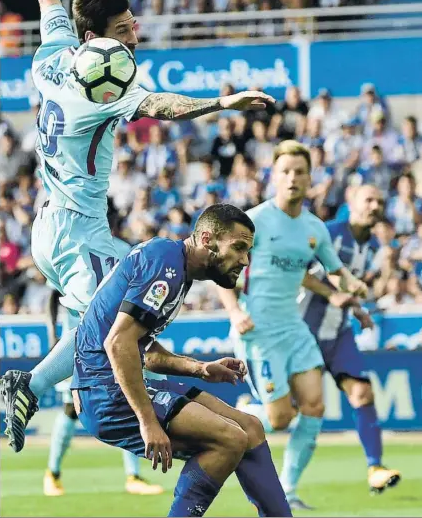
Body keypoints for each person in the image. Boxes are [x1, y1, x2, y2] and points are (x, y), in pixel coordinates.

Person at [1, 0, 275, 456]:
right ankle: (81, 399)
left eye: (131, 25)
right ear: (94, 42)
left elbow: (47, 0)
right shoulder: (102, 88)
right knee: (125, 316)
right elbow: (161, 107)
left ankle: (42, 386)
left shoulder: (53, 60)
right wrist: (220, 103)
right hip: (79, 232)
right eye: (123, 30)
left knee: (98, 319)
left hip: (53, 225)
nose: (134, 35)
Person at [71, 203, 292, 517]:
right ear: (206, 239)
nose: (244, 260)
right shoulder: (166, 267)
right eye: (238, 248)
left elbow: (145, 353)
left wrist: (200, 369)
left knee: (251, 428)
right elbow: (118, 343)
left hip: (117, 383)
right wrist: (148, 422)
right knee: (229, 440)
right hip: (105, 393)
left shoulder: (174, 266)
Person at [218, 140, 368, 510]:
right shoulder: (254, 221)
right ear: (273, 176)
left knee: (315, 406)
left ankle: (289, 489)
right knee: (280, 419)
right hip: (259, 333)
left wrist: (353, 286)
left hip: (294, 329)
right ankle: (233, 415)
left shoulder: (315, 228)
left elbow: (337, 272)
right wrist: (235, 313)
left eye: (299, 171)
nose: (292, 178)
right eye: (285, 171)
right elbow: (222, 273)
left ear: (309, 177)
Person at [43, 211, 163, 497]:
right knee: (72, 409)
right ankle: (53, 472)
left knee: (128, 397)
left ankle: (133, 475)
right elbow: (52, 295)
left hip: (115, 341)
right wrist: (53, 336)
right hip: (78, 341)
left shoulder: (125, 251)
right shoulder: (71, 247)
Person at [301, 185, 401, 493]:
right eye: (369, 199)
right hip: (303, 331)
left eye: (380, 201)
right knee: (290, 411)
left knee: (362, 393)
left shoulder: (371, 244)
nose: (375, 206)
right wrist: (332, 295)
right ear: (351, 201)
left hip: (340, 332)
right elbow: (297, 273)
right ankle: (249, 409)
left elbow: (354, 287)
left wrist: (359, 310)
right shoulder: (329, 232)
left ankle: (375, 467)